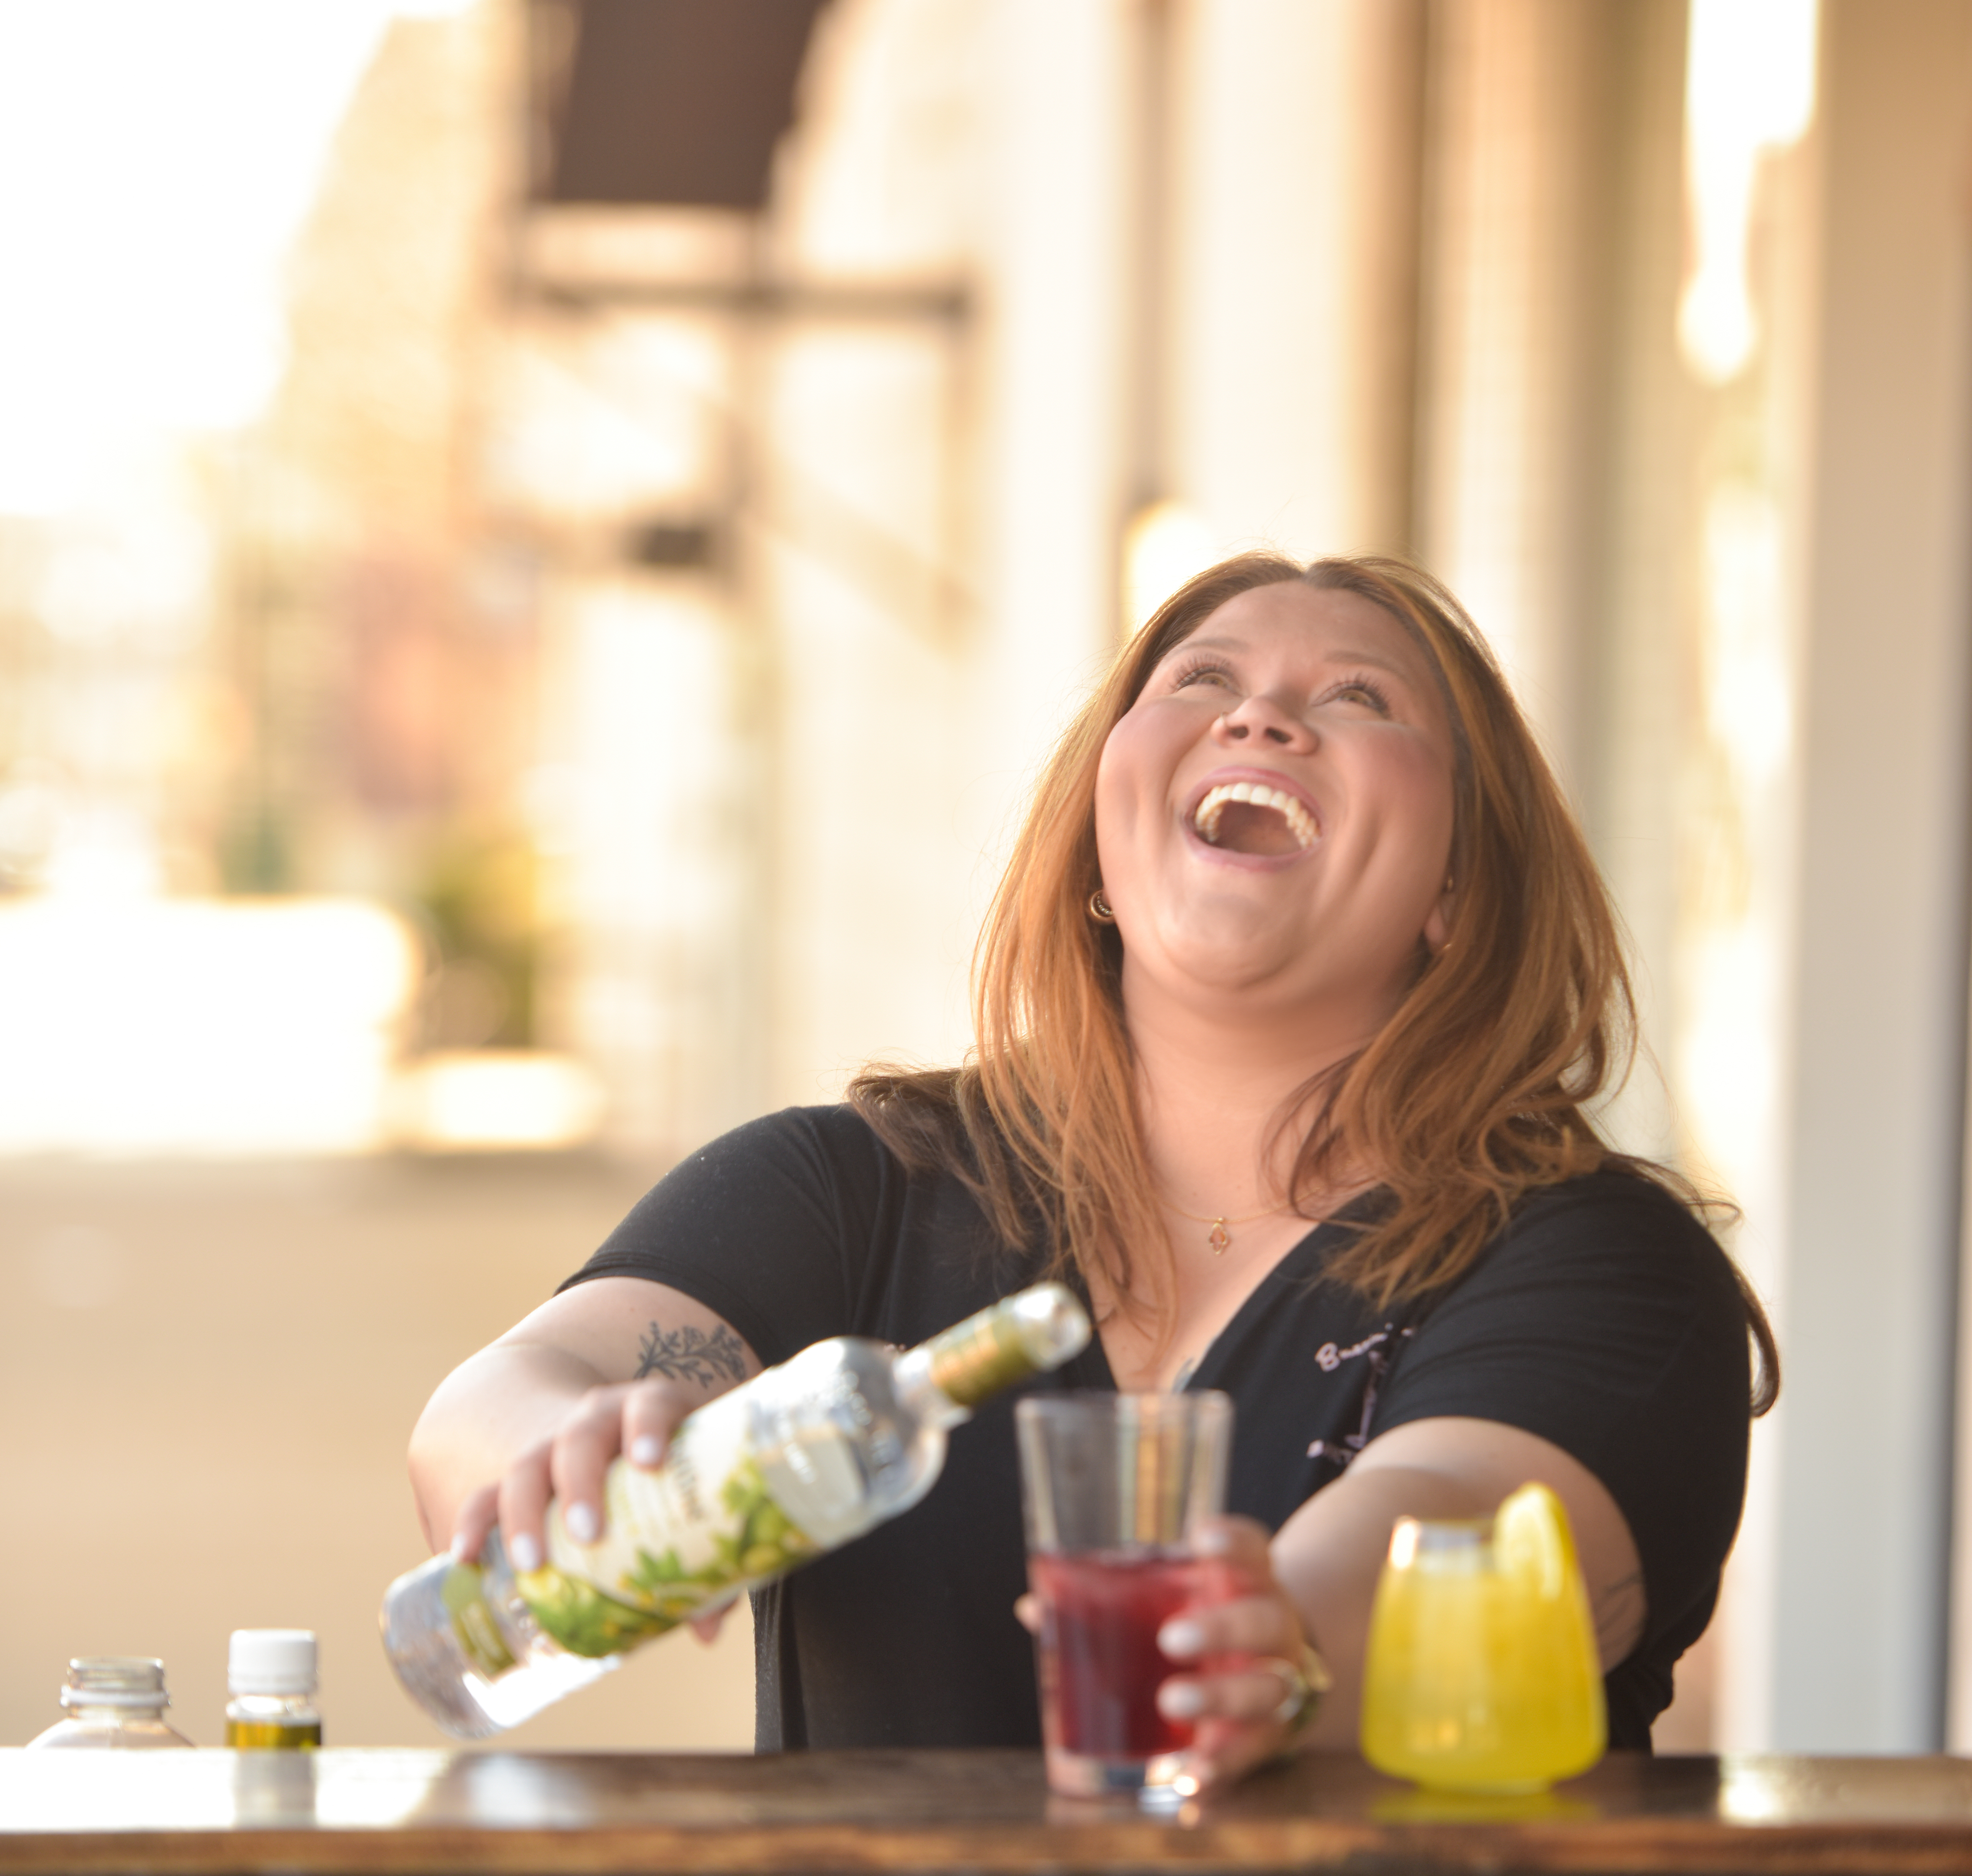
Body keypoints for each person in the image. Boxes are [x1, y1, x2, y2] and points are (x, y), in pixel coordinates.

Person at [411, 552, 1774, 1774]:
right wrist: (563, 1457)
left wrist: (1268, 1636)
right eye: (1205, 679)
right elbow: (491, 1408)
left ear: (1458, 894)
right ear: (1101, 861)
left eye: (1359, 697)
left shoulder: (1598, 1269)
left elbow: (1448, 1530)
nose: (1262, 716)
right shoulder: (854, 1190)